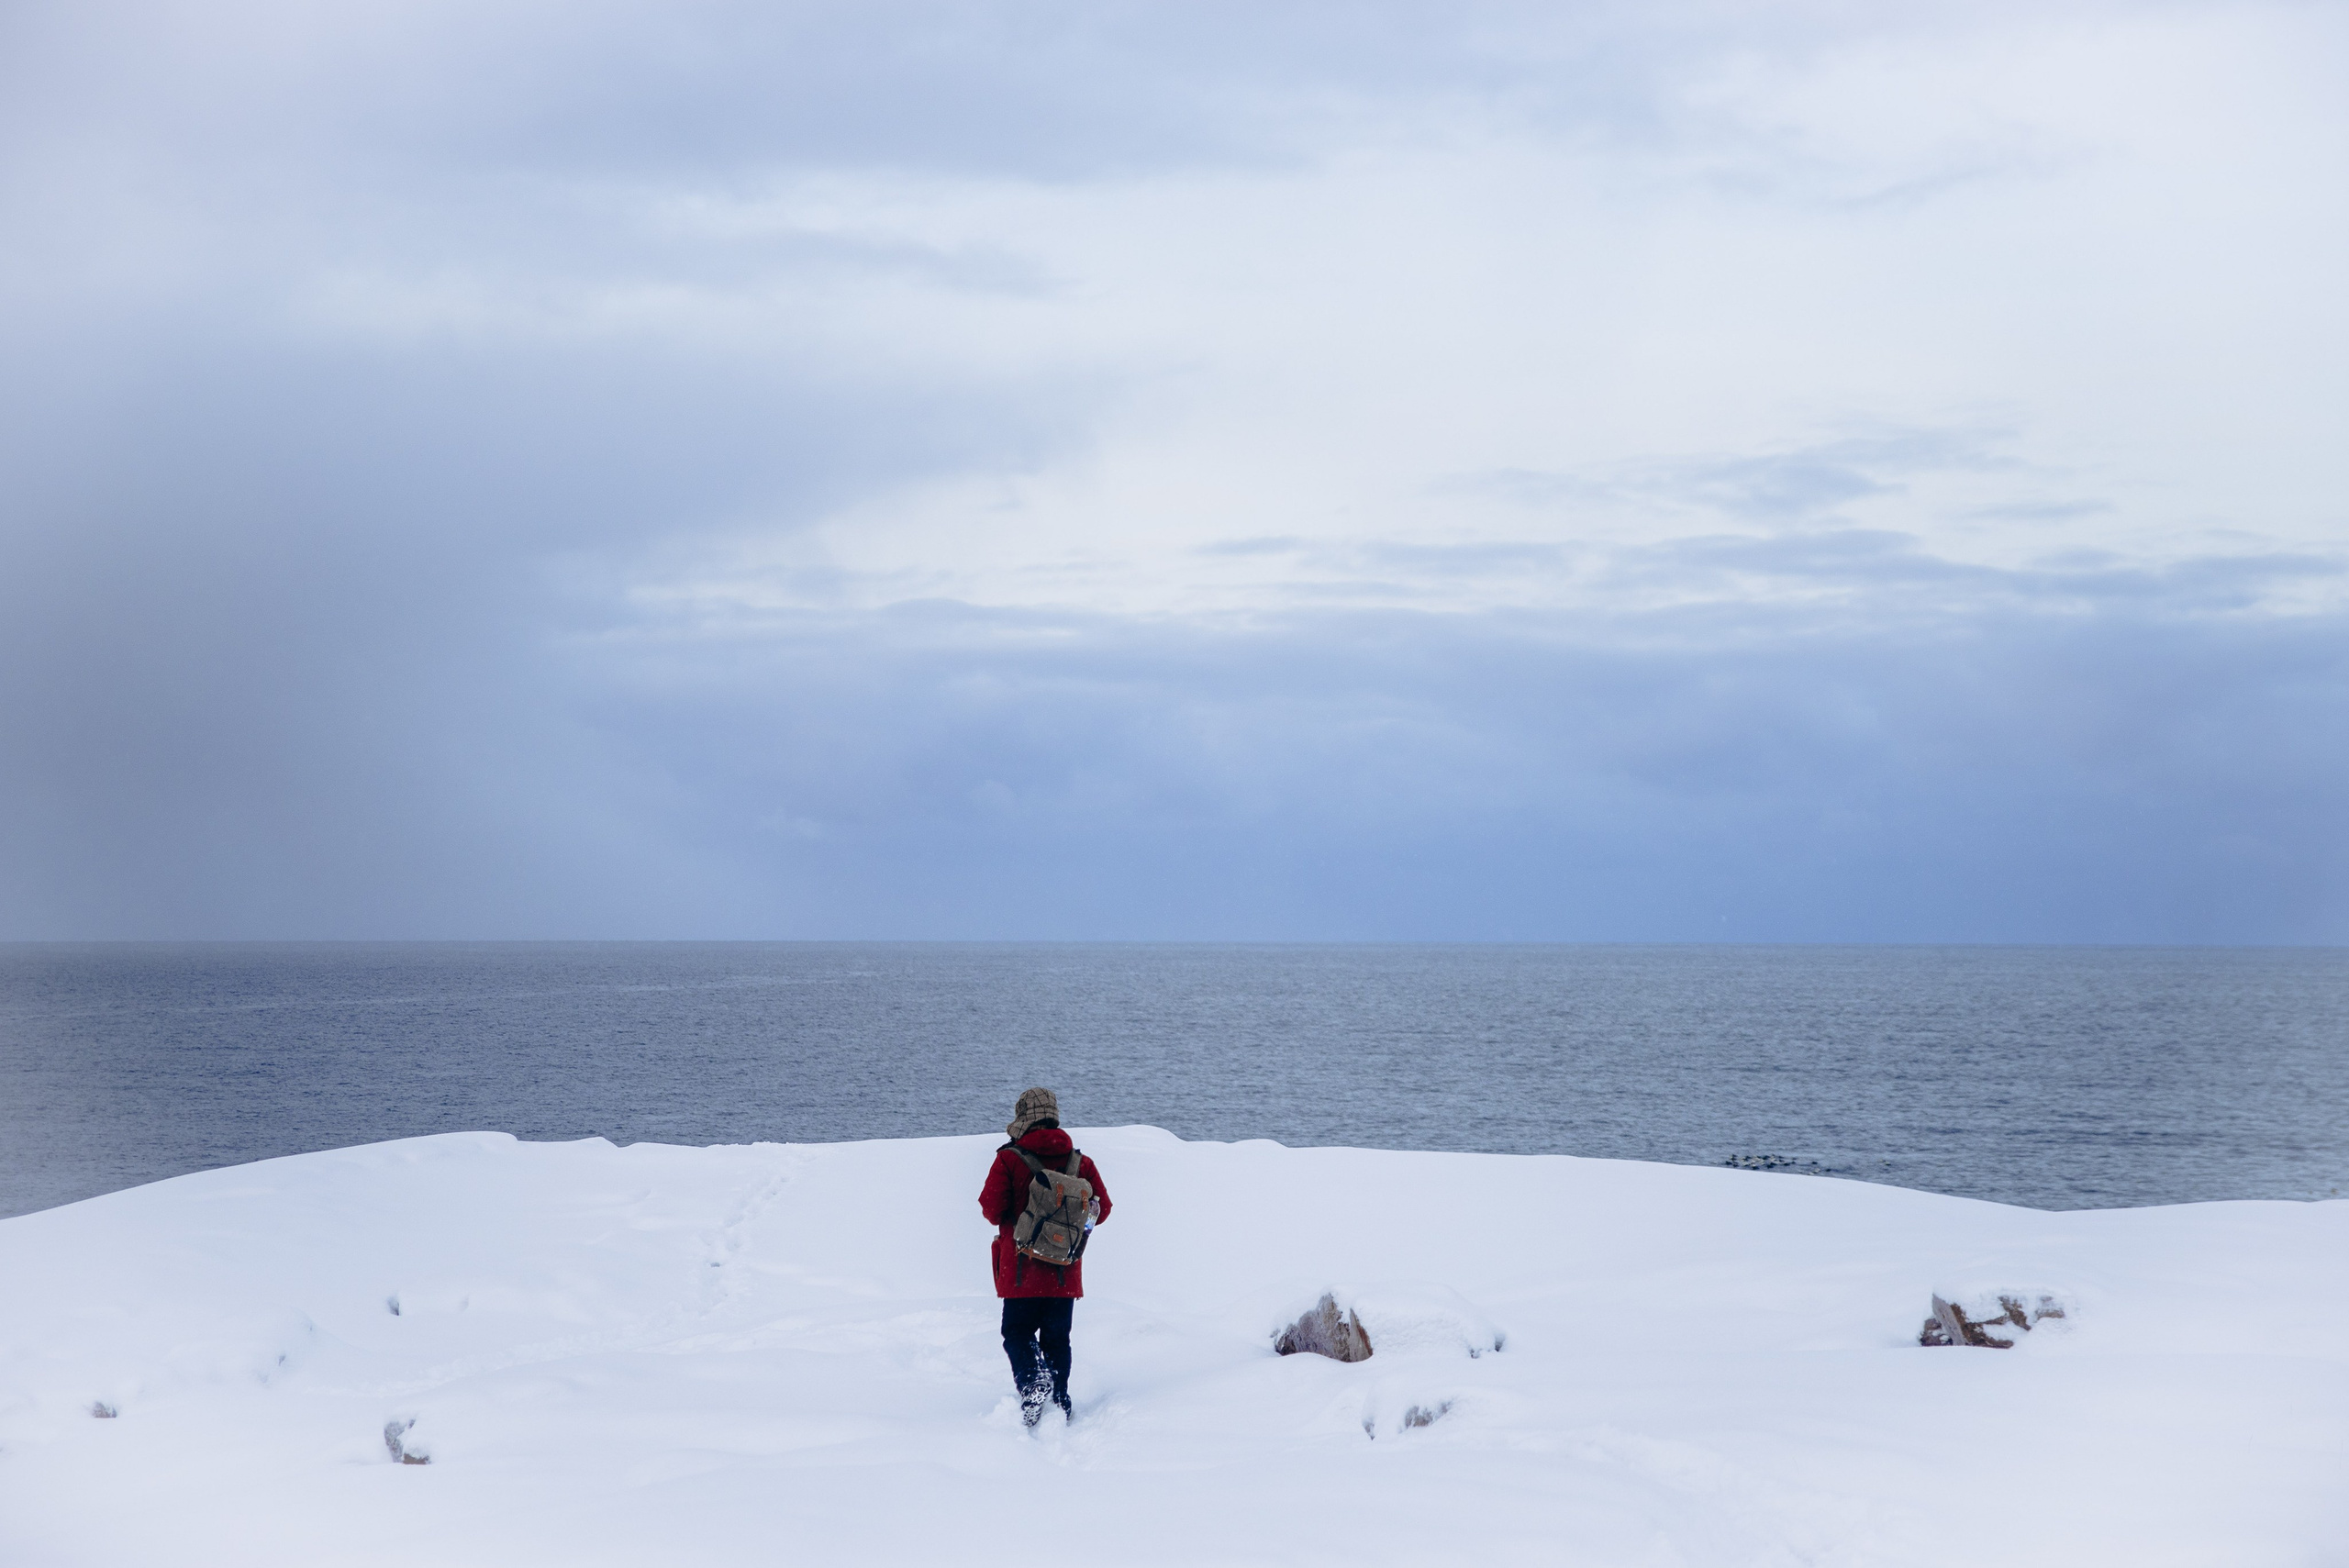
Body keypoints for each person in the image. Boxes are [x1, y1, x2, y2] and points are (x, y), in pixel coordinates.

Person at [978, 1086, 1111, 1426]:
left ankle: (1033, 1381)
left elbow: (991, 1210)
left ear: (1023, 1117)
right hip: (1065, 1272)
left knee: (1017, 1333)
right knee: (1056, 1339)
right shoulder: (1081, 1162)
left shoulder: (1009, 1158)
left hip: (1021, 1270)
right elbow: (1104, 1210)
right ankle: (1059, 1400)